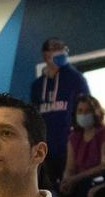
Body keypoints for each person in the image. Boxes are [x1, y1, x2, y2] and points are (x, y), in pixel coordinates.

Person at [34, 38, 90, 188]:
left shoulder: (76, 79)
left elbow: (87, 107)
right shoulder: (38, 86)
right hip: (46, 148)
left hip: (71, 145)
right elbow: (33, 117)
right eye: (56, 47)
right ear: (46, 55)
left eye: (63, 47)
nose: (61, 50)